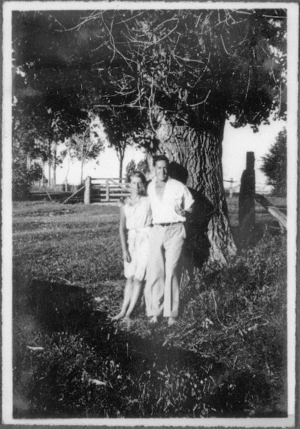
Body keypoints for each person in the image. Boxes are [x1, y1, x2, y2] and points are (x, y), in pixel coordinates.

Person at [145, 155, 194, 326]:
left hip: (175, 229)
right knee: (156, 270)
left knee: (172, 269)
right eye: (159, 168)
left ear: (169, 169)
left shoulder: (178, 186)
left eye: (165, 168)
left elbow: (191, 205)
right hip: (157, 229)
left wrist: (185, 213)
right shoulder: (150, 187)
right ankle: (154, 311)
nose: (162, 171)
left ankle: (171, 312)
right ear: (154, 169)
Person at [112, 171, 152, 321]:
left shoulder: (148, 200)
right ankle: (122, 311)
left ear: (143, 183)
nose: (136, 186)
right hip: (131, 240)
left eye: (139, 182)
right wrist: (124, 250)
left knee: (138, 278)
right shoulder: (124, 202)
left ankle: (129, 313)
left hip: (146, 238)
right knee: (129, 277)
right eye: (133, 182)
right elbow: (122, 228)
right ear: (129, 184)